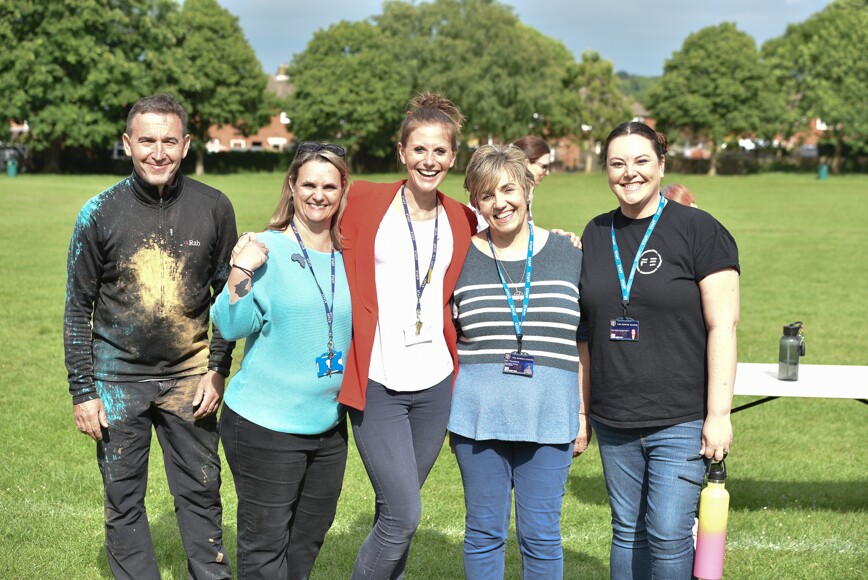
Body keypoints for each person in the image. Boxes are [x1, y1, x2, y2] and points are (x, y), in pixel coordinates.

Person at [64, 94, 236, 579]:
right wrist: (83, 391)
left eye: (168, 142)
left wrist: (217, 369)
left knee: (201, 493)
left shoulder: (214, 207)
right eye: (146, 141)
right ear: (127, 143)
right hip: (117, 381)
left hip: (190, 380)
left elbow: (227, 299)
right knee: (123, 501)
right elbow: (77, 307)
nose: (158, 153)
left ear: (186, 144)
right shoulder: (99, 212)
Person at [576, 121, 740, 579]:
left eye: (641, 161)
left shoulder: (699, 229)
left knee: (668, 533)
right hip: (614, 418)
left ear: (662, 165)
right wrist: (583, 413)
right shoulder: (595, 233)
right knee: (627, 531)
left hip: (680, 417)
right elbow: (584, 335)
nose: (629, 172)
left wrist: (719, 415)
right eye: (617, 163)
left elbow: (724, 326)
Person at [338, 92, 479, 579]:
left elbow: (512, 239)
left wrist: (563, 240)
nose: (429, 160)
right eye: (419, 149)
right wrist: (260, 241)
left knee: (394, 513)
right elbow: (307, 213)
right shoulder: (363, 199)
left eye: (440, 151)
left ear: (453, 157)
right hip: (377, 381)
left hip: (435, 385)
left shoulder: (463, 218)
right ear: (402, 152)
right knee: (403, 515)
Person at [212, 143, 352, 579]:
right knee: (265, 546)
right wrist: (241, 270)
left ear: (343, 190)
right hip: (265, 426)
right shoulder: (265, 249)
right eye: (308, 184)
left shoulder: (352, 253)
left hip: (329, 426)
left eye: (329, 186)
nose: (318, 195)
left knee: (308, 540)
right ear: (291, 186)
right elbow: (231, 325)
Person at [448, 144, 588, 579]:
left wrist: (582, 413)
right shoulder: (457, 256)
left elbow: (583, 341)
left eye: (508, 189)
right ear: (475, 200)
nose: (500, 203)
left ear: (529, 189)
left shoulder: (570, 252)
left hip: (551, 415)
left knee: (542, 536)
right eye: (487, 194)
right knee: (484, 533)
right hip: (477, 418)